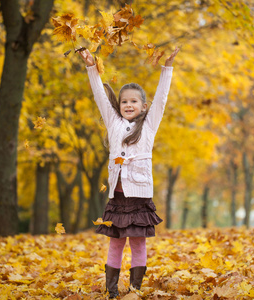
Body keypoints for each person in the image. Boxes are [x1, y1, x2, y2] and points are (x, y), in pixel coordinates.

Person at [79, 46, 179, 298]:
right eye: (124, 101)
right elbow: (100, 96)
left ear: (144, 106)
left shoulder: (149, 125)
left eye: (134, 101)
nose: (128, 105)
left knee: (137, 243)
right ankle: (111, 291)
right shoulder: (113, 122)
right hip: (118, 198)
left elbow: (162, 98)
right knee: (115, 243)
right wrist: (91, 66)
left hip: (139, 197)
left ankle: (135, 290)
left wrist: (167, 67)